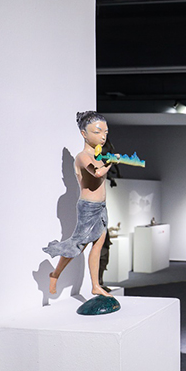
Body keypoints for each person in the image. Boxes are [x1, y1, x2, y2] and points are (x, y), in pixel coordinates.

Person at [43, 111, 115, 297]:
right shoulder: (82, 157)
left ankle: (95, 285)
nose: (103, 136)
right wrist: (110, 162)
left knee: (98, 245)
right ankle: (55, 274)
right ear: (84, 134)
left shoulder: (97, 157)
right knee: (77, 245)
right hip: (89, 208)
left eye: (105, 132)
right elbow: (97, 173)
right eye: (98, 132)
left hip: (101, 208)